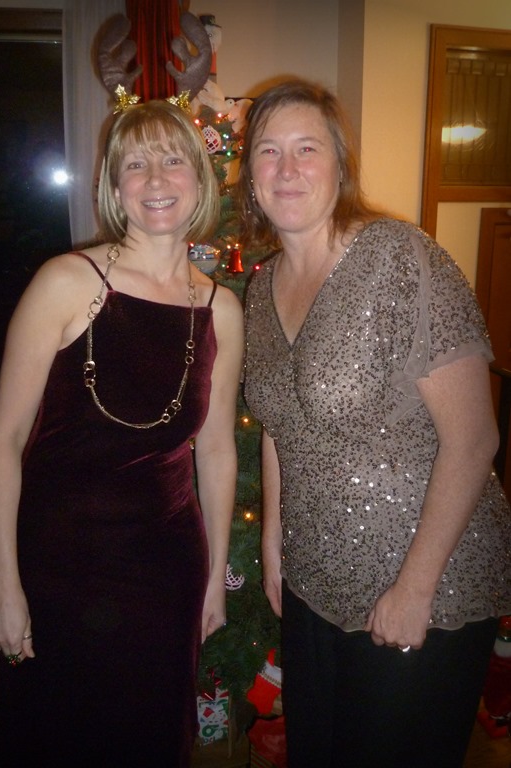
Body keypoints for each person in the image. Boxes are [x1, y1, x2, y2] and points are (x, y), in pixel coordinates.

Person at [237, 79, 511, 768]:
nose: (286, 168)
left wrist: (415, 587)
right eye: (268, 150)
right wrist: (273, 543)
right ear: (250, 177)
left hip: (425, 579)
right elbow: (278, 423)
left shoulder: (398, 257)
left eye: (307, 148)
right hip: (314, 579)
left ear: (340, 165)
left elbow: (474, 439)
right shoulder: (260, 287)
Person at [0, 99, 244, 767]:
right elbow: (4, 440)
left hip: (166, 572)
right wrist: (3, 582)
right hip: (58, 567)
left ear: (200, 178)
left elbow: (216, 451)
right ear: (113, 184)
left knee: (150, 741)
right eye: (135, 164)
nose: (155, 179)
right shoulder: (66, 282)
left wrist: (214, 577)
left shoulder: (221, 309)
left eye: (172, 160)